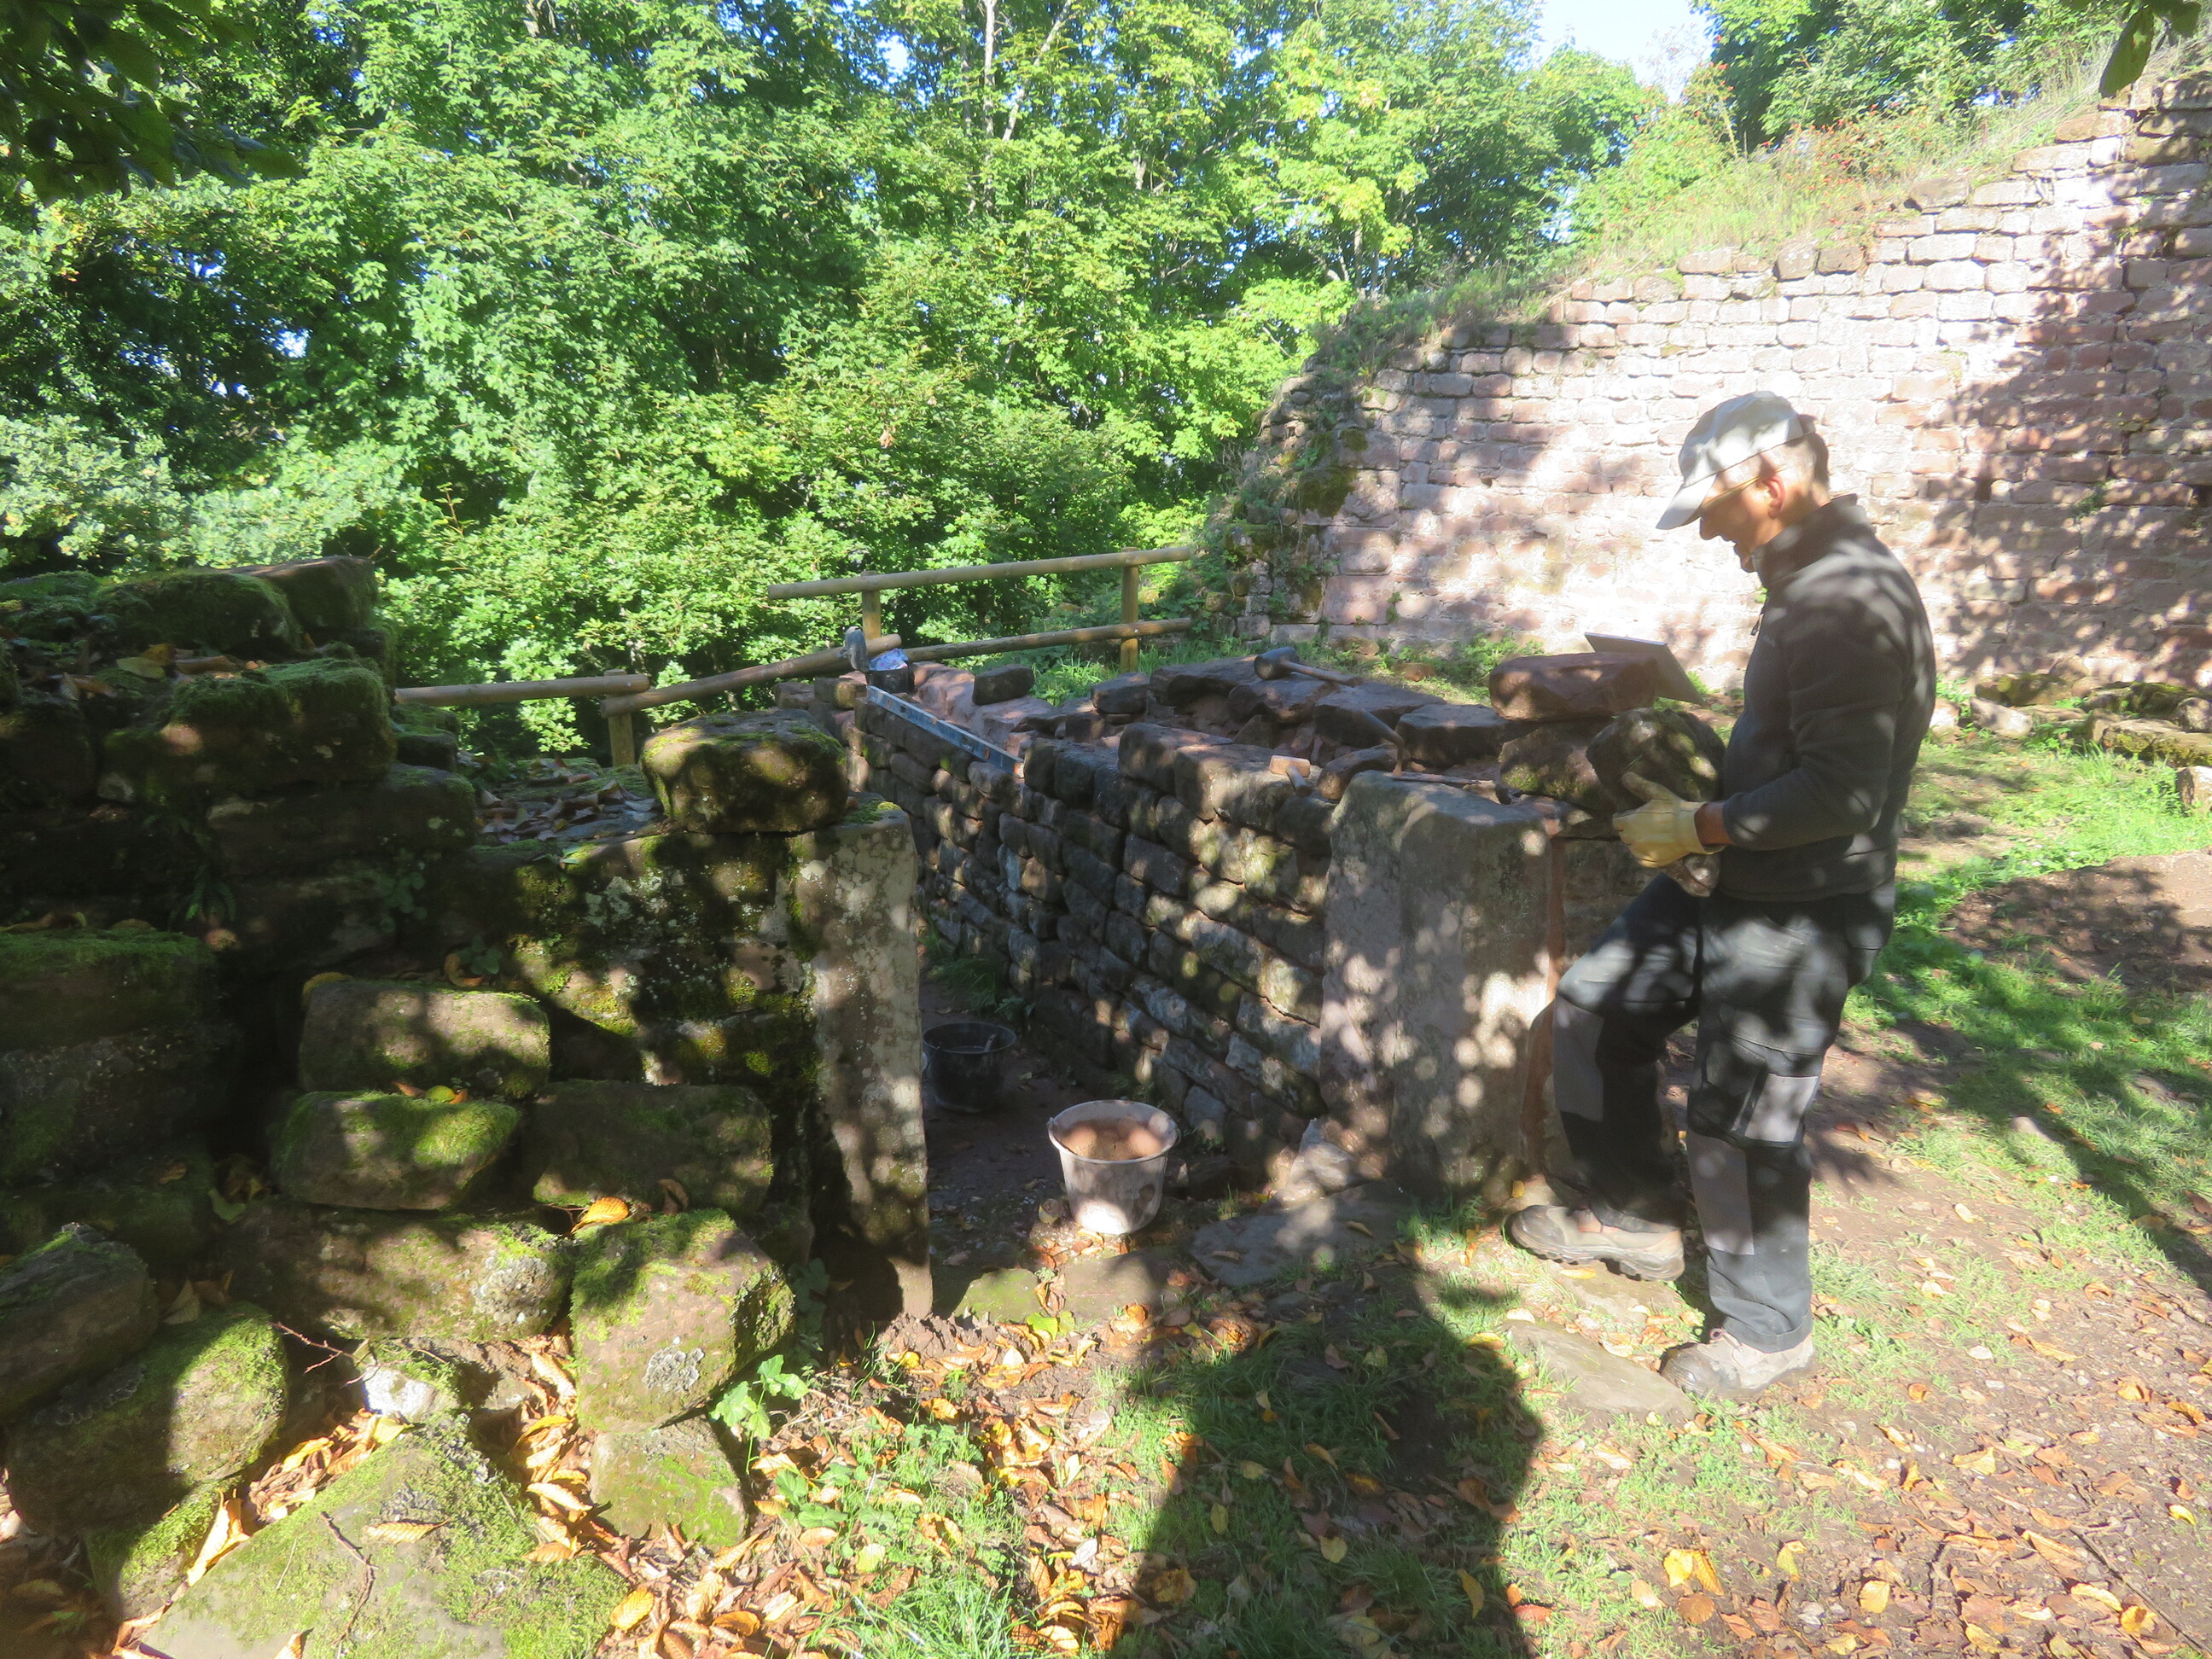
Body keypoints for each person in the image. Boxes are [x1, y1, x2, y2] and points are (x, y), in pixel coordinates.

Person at [1508, 390, 1937, 1400]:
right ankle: (1635, 1215)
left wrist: (1699, 825)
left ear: (1772, 484)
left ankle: (1768, 1331)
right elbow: (1800, 748)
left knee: (1743, 1112)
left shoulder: (1847, 602)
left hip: (1806, 908)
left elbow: (1844, 792)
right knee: (1594, 1009)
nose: (1707, 531)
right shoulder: (1809, 584)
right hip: (1734, 878)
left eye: (1715, 509)